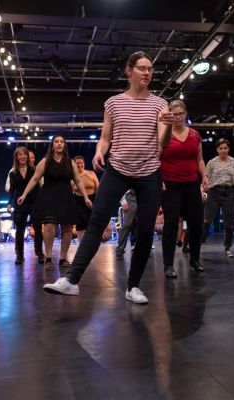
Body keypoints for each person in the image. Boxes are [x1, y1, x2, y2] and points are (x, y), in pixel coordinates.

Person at [42, 51, 174, 304]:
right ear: (129, 71)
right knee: (96, 222)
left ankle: (133, 287)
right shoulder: (113, 103)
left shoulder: (159, 104)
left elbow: (163, 142)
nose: (147, 73)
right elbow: (105, 137)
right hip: (117, 169)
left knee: (146, 230)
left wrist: (167, 125)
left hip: (148, 172)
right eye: (142, 68)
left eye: (150, 69)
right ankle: (71, 280)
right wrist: (99, 151)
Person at [17, 135, 92, 270]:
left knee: (67, 228)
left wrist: (86, 197)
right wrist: (24, 194)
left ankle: (63, 258)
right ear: (52, 145)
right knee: (49, 227)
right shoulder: (45, 161)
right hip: (49, 197)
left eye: (61, 142)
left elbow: (78, 181)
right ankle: (49, 258)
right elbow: (35, 179)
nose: (59, 144)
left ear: (64, 145)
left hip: (66, 197)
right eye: (56, 142)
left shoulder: (70, 162)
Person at [160, 99, 208, 279]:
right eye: (174, 114)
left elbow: (199, 159)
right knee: (171, 224)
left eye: (180, 114)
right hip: (171, 185)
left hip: (191, 184)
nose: (178, 117)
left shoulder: (195, 135)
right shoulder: (165, 135)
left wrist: (204, 176)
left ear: (186, 114)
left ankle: (195, 259)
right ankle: (168, 264)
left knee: (196, 223)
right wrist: (159, 179)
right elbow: (156, 158)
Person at [202, 138, 234, 257]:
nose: (223, 150)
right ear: (217, 149)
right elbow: (205, 178)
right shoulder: (212, 162)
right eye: (221, 148)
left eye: (225, 148)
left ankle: (227, 248)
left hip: (230, 192)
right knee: (207, 219)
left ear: (228, 149)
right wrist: (202, 191)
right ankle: (199, 243)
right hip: (214, 192)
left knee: (229, 223)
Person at [7, 147, 44, 264]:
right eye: (20, 155)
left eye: (24, 155)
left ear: (27, 156)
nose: (22, 157)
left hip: (34, 201)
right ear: (16, 157)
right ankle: (20, 255)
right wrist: (9, 203)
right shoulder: (13, 173)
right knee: (20, 229)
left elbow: (39, 186)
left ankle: (39, 252)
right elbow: (12, 190)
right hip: (20, 202)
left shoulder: (34, 169)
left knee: (37, 228)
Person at [71, 155, 99, 241]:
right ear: (74, 165)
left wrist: (98, 203)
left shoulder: (91, 173)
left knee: (92, 225)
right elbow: (70, 193)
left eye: (81, 163)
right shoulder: (72, 177)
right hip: (78, 204)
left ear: (84, 164)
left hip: (92, 202)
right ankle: (82, 245)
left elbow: (98, 188)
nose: (80, 165)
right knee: (80, 226)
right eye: (77, 163)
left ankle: (91, 244)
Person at [115, 189, 138, 260]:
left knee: (143, 224)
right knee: (127, 225)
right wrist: (123, 201)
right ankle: (120, 250)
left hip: (143, 195)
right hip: (130, 196)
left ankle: (142, 248)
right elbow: (119, 185)